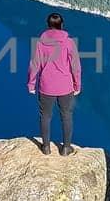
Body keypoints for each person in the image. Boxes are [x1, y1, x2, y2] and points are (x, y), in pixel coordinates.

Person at [27, 12, 81, 155]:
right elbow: (76, 66)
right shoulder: (69, 42)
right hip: (65, 87)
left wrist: (31, 85)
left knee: (45, 116)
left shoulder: (40, 43)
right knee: (66, 116)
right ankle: (66, 148)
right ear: (61, 25)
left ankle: (45, 147)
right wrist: (77, 85)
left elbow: (34, 65)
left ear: (48, 25)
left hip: (46, 87)